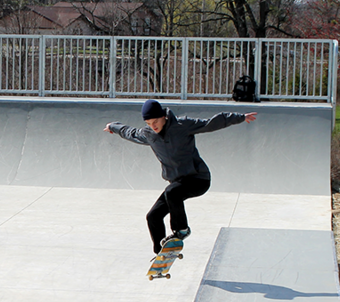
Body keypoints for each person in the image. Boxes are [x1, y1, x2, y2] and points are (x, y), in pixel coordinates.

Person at [104, 99, 257, 255]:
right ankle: (161, 254)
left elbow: (211, 123)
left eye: (155, 121)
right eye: (149, 123)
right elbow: (130, 133)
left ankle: (181, 230)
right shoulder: (149, 134)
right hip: (177, 184)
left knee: (172, 192)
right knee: (153, 216)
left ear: (163, 116)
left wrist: (240, 117)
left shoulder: (182, 126)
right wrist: (113, 126)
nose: (153, 126)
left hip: (198, 179)